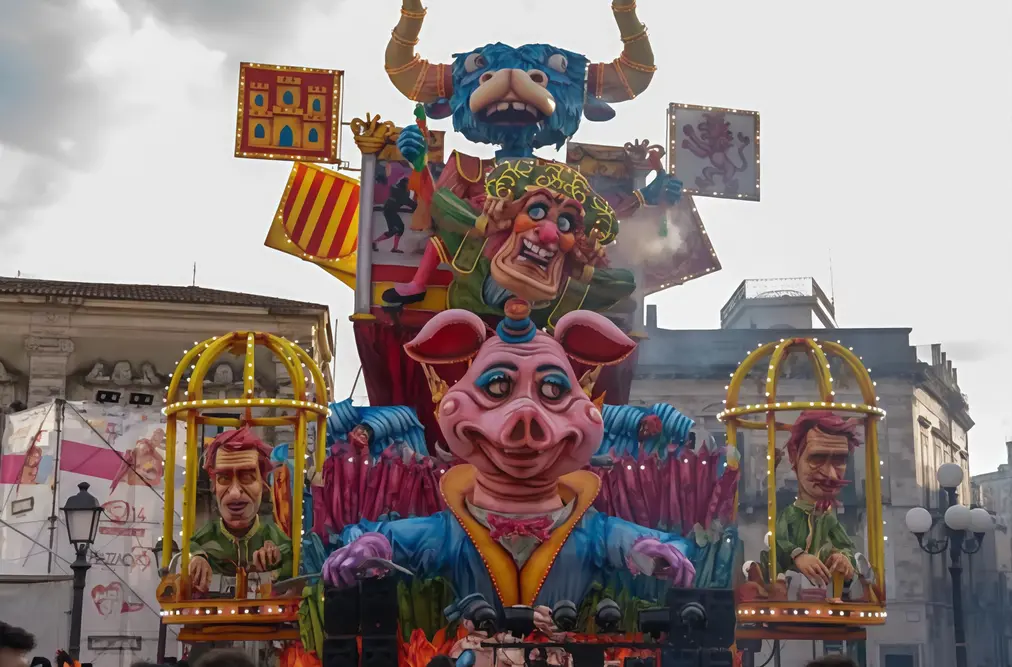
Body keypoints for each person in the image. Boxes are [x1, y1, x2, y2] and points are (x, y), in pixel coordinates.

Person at [188, 428, 293, 593]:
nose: (235, 492)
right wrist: (197, 557)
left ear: (263, 484)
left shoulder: (270, 533)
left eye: (247, 477)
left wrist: (277, 556)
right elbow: (189, 547)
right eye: (224, 478)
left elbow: (291, 554)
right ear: (214, 486)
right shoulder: (209, 534)